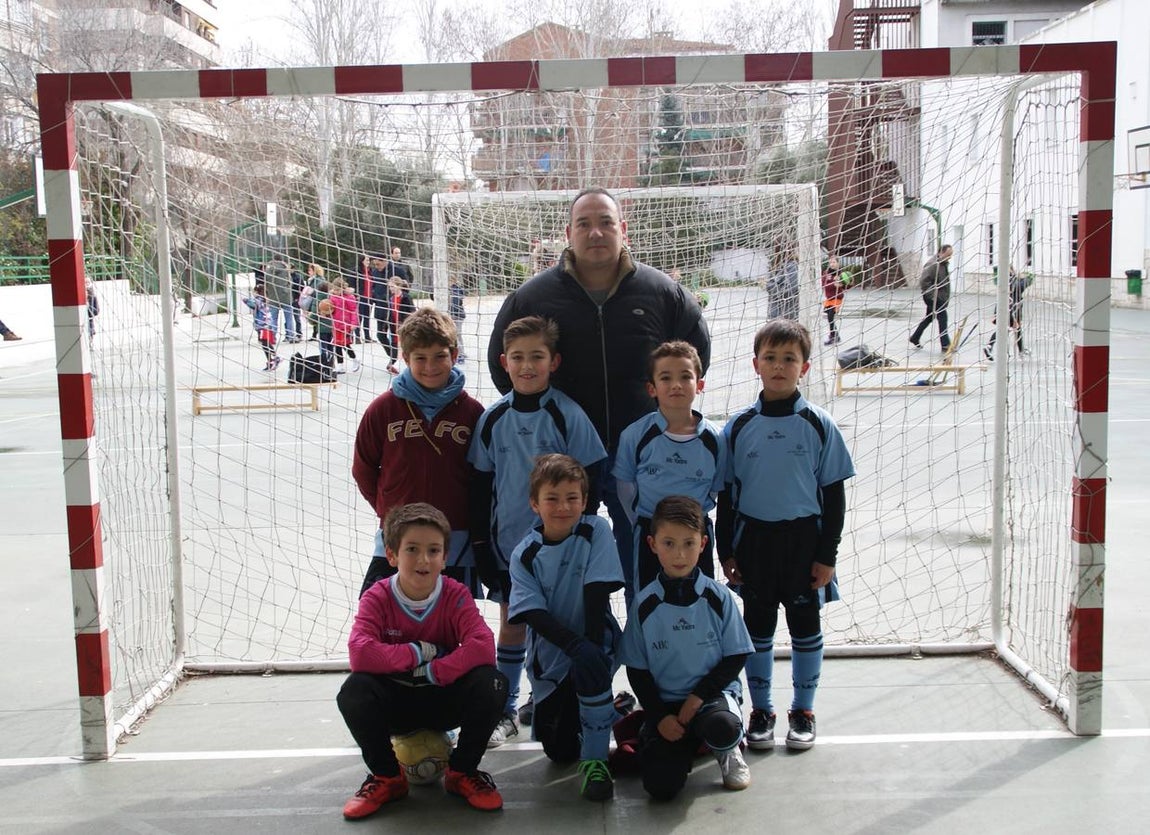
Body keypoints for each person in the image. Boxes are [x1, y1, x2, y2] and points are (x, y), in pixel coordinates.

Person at [487, 187, 711, 608]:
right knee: (569, 566)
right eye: (585, 224)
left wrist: (661, 422)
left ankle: (656, 652)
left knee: (646, 562)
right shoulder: (533, 298)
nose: (596, 233)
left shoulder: (663, 293)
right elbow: (506, 367)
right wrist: (544, 423)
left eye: (606, 222)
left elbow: (695, 361)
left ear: (622, 229)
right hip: (566, 463)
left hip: (643, 462)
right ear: (567, 233)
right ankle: (577, 660)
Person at [468, 316, 607, 748]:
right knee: (513, 621)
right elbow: (479, 484)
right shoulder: (492, 419)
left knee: (564, 623)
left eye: (537, 357)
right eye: (518, 357)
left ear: (554, 361)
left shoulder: (567, 414)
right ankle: (504, 708)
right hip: (511, 547)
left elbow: (593, 476)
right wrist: (481, 547)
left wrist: (580, 534)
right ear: (503, 362)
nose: (528, 365)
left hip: (563, 548)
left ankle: (551, 694)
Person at [717, 318, 854, 752]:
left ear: (805, 367)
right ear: (755, 364)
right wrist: (726, 552)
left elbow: (834, 498)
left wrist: (826, 556)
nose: (779, 366)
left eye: (789, 359)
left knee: (805, 626)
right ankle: (761, 710)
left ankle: (803, 710)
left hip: (803, 545)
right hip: (754, 543)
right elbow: (727, 498)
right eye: (771, 358)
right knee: (756, 629)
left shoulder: (818, 424)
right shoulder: (737, 427)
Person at [336, 503, 507, 819]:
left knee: (492, 682)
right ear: (392, 556)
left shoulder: (455, 594)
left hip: (440, 695)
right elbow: (360, 652)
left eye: (433, 550)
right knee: (353, 691)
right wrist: (418, 652)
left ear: (445, 558)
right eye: (412, 549)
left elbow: (482, 646)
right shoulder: (377, 596)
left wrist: (436, 670)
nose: (423, 559)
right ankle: (387, 776)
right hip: (397, 703)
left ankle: (462, 772)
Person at [619, 496, 754, 800]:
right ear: (652, 545)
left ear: (703, 544)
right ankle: (675, 743)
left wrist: (697, 697)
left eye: (688, 544)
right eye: (669, 543)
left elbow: (736, 656)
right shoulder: (644, 604)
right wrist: (659, 716)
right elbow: (637, 670)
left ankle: (727, 750)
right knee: (660, 787)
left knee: (722, 726)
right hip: (667, 705)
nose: (679, 554)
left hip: (710, 699)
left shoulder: (718, 598)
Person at [507, 454, 625, 801]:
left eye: (573, 498)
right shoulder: (524, 554)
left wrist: (589, 650)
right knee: (559, 752)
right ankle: (607, 709)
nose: (563, 507)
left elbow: (596, 591)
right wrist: (575, 649)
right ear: (535, 503)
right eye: (552, 498)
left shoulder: (595, 529)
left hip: (594, 636)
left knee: (592, 670)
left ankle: (596, 762)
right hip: (553, 655)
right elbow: (533, 614)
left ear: (585, 501)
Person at [353, 307, 484, 598]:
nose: (430, 366)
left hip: (455, 539)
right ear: (405, 357)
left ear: (454, 353)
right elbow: (363, 469)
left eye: (440, 356)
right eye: (420, 358)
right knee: (377, 616)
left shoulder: (473, 412)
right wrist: (390, 510)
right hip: (398, 536)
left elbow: (483, 476)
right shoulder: (383, 410)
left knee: (451, 624)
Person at [613, 340, 726, 592]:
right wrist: (644, 521)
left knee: (698, 597)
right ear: (652, 388)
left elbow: (718, 488)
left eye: (685, 376)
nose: (676, 384)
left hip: (695, 533)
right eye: (666, 378)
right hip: (650, 531)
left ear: (700, 385)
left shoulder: (716, 439)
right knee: (648, 597)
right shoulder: (635, 435)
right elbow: (625, 486)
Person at [909, 244, 954, 351]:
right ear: (940, 253)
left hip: (940, 297)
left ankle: (915, 337)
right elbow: (924, 282)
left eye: (950, 255)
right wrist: (934, 296)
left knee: (929, 317)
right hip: (933, 297)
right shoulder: (933, 264)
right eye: (948, 255)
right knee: (943, 318)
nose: (949, 257)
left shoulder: (943, 263)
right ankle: (945, 344)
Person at [983, 267, 1033, 361]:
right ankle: (989, 346)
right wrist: (1022, 277)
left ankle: (1021, 350)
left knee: (1015, 328)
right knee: (1005, 329)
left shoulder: (1004, 280)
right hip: (1011, 309)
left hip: (1004, 307)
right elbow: (1027, 281)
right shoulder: (1013, 281)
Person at [242, 282, 279, 371]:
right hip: (268, 324)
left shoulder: (258, 300)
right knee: (265, 343)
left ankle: (274, 358)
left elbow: (252, 305)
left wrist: (245, 300)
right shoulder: (266, 299)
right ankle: (271, 360)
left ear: (257, 292)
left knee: (265, 343)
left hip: (262, 325)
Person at [381, 277, 415, 375]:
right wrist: (385, 326)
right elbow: (389, 313)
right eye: (389, 287)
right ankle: (395, 364)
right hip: (394, 326)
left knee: (404, 345)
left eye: (392, 286)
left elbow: (412, 311)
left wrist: (406, 322)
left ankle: (398, 365)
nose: (391, 289)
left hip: (404, 326)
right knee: (395, 345)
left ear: (399, 286)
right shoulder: (391, 298)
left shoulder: (406, 297)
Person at [263, 255, 298, 344]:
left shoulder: (269, 269)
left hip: (273, 297)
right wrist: (286, 290)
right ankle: (290, 336)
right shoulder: (286, 269)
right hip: (286, 297)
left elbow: (266, 283)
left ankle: (273, 337)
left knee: (273, 319)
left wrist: (269, 293)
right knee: (289, 318)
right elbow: (290, 282)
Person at [330, 278, 361, 373]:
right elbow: (330, 309)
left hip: (345, 325)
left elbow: (353, 311)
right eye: (334, 290)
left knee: (345, 344)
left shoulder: (349, 298)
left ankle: (355, 359)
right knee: (337, 345)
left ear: (343, 289)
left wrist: (353, 323)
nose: (336, 292)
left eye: (338, 290)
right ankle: (340, 365)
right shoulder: (332, 297)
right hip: (336, 324)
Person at [765, 246, 800, 321]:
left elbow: (790, 290)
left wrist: (771, 286)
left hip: (787, 316)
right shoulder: (777, 266)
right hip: (775, 315)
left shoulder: (792, 266)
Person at [821, 255, 846, 346]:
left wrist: (846, 283)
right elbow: (824, 285)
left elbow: (847, 286)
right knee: (829, 317)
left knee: (831, 316)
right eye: (830, 262)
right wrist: (834, 284)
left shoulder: (842, 274)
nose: (832, 264)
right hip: (829, 298)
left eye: (834, 262)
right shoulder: (826, 273)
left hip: (837, 298)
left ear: (838, 263)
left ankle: (833, 336)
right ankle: (836, 335)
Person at [448, 278, 466, 364]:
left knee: (456, 334)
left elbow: (455, 303)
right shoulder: (451, 290)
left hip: (456, 315)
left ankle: (460, 354)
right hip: (458, 315)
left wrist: (452, 315)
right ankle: (461, 353)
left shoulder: (455, 290)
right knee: (458, 335)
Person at [85, 279, 100, 345]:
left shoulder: (93, 296)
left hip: (89, 320)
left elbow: (96, 311)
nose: (86, 284)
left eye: (88, 282)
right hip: (82, 321)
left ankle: (90, 342)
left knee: (90, 329)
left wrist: (89, 307)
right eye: (85, 282)